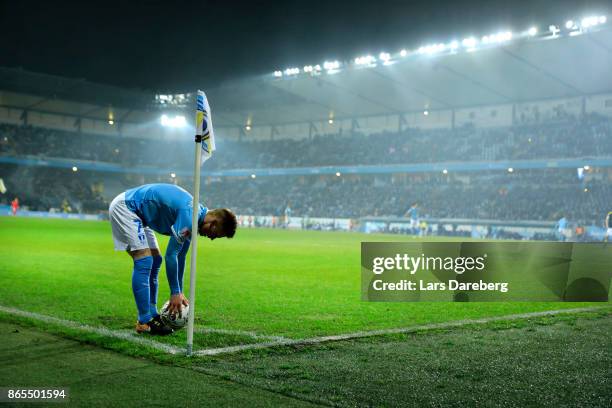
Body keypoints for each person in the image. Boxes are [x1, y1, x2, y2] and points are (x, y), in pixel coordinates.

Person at [109, 183, 237, 335]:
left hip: (140, 215)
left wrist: (179, 292)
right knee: (144, 260)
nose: (211, 238)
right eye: (215, 235)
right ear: (214, 223)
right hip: (127, 208)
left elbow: (180, 257)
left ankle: (152, 313)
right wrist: (174, 292)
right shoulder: (190, 218)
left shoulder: (197, 215)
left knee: (155, 260)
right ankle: (144, 321)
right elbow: (171, 255)